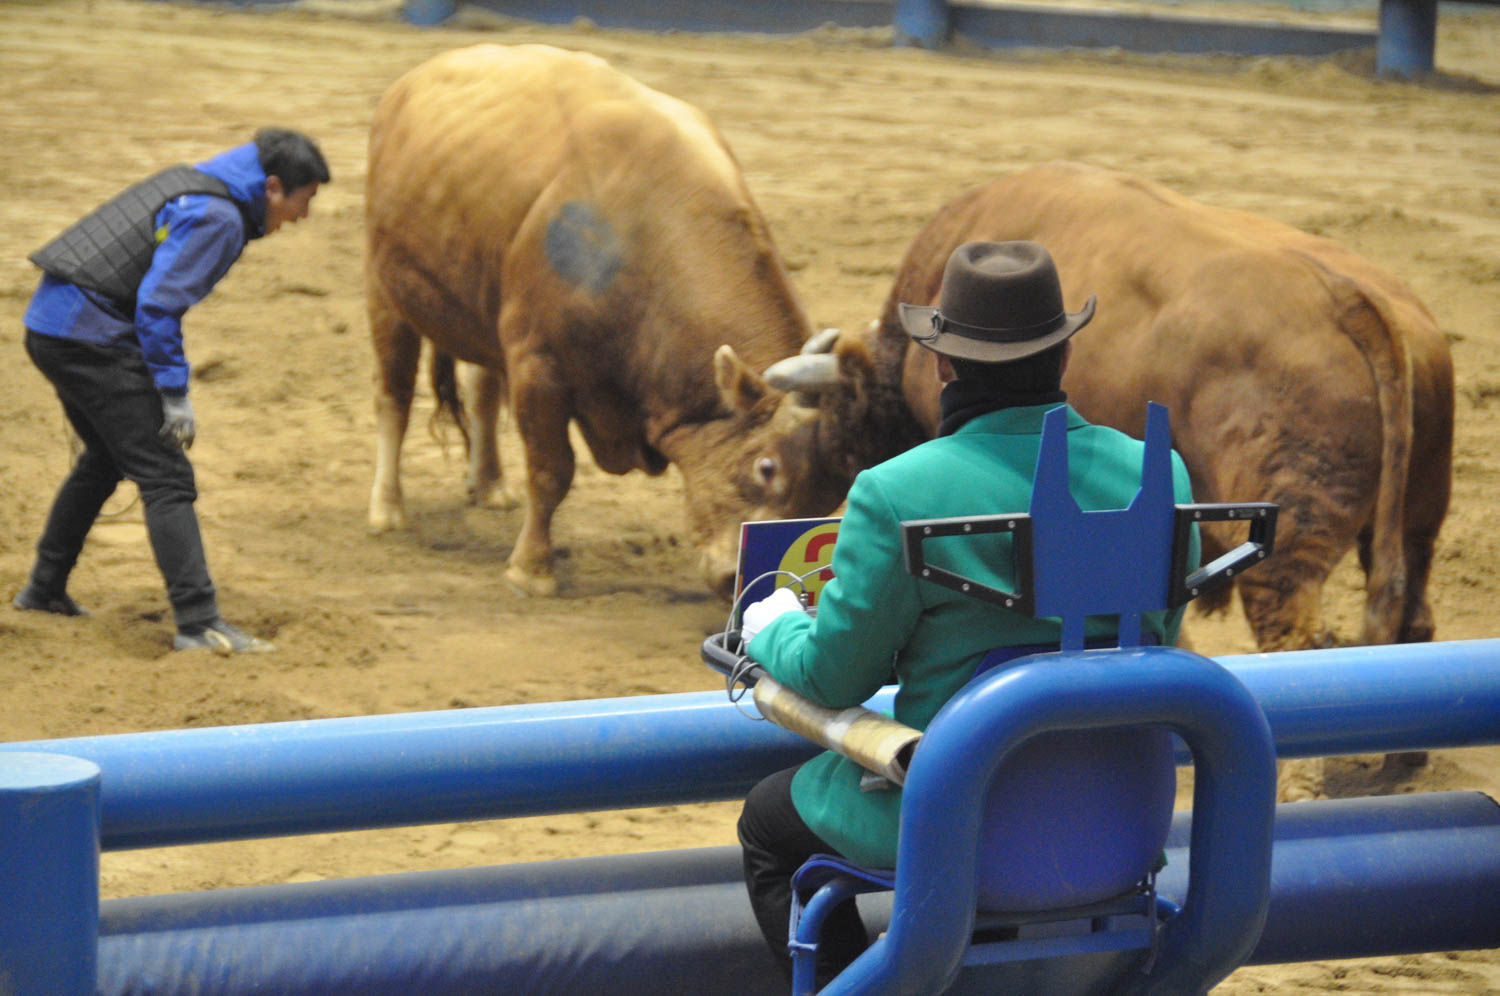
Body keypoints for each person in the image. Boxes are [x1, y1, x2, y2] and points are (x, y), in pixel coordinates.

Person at [735, 240, 1198, 985]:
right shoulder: (1160, 474)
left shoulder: (894, 492)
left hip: (957, 817)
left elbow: (833, 675)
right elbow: (1154, 648)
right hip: (1122, 820)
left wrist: (774, 624)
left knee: (767, 821)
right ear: (1063, 355)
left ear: (945, 364)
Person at [12, 128, 330, 654]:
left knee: (105, 460)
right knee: (167, 476)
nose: (303, 216)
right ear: (273, 187)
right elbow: (157, 307)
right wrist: (173, 392)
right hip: (87, 338)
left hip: (54, 326)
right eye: (304, 200)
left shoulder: (205, 185)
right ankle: (198, 622)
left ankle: (44, 590)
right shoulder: (217, 215)